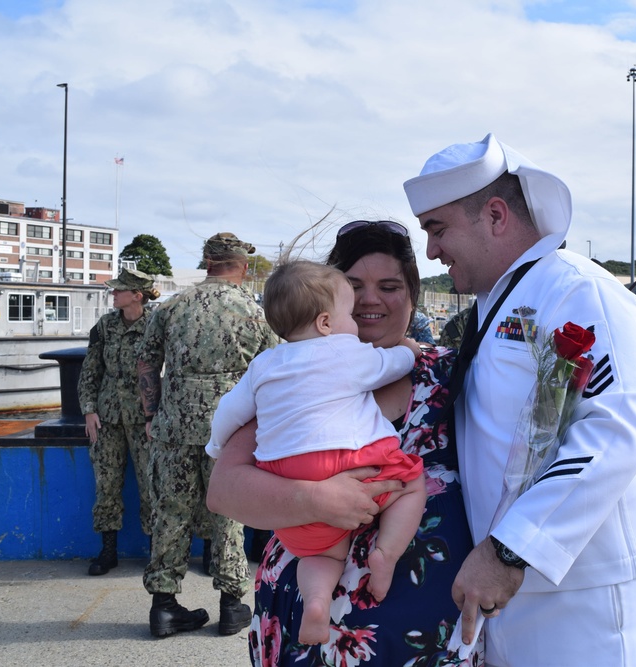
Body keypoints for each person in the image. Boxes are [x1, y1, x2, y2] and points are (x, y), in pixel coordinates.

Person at [403, 133, 636, 666]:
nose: (430, 250)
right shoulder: (497, 301)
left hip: (583, 600)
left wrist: (510, 549)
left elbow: (614, 431)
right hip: (514, 589)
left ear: (496, 215)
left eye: (437, 229)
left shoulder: (576, 291)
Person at [206, 220, 481, 666]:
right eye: (354, 285)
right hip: (308, 632)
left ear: (412, 295)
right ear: (327, 306)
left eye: (390, 286)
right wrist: (314, 499)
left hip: (426, 636)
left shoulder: (453, 374)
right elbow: (222, 491)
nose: (371, 299)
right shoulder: (288, 379)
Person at [205, 260, 427, 645]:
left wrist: (214, 445)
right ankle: (386, 555)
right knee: (410, 484)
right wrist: (409, 350)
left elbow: (229, 410)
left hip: (289, 469)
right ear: (326, 323)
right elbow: (390, 363)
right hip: (354, 459)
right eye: (352, 297)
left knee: (321, 556)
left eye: (389, 286)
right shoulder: (349, 352)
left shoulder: (265, 365)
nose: (362, 306)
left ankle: (316, 603)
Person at [137, 232, 279, 638]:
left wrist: (152, 414)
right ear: (243, 266)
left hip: (173, 426)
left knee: (171, 513)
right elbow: (275, 365)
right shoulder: (253, 311)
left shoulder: (171, 305)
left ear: (207, 263)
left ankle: (164, 607)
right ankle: (232, 605)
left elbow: (146, 362)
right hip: (230, 428)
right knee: (228, 515)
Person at [77, 267, 160, 576]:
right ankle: (108, 550)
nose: (112, 293)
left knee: (152, 484)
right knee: (107, 484)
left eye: (118, 290)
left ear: (136, 295)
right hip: (108, 416)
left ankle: (156, 551)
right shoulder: (105, 325)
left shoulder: (157, 324)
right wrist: (88, 409)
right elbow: (90, 371)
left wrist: (158, 415)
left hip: (146, 420)